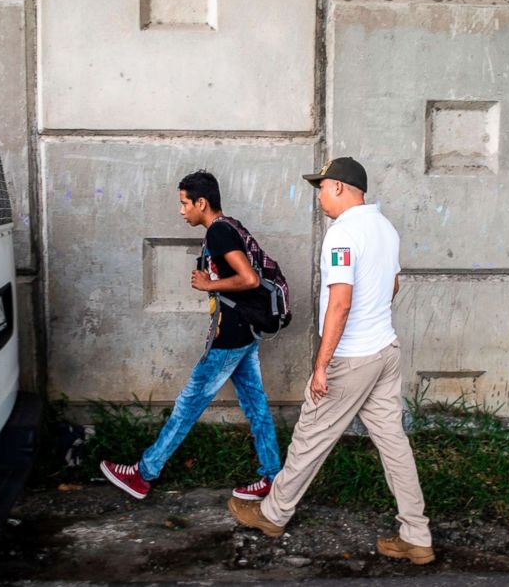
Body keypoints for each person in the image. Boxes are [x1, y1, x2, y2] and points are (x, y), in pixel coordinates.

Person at [226, 157, 435, 565]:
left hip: (352, 357)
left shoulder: (342, 234)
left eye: (321, 188)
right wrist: (371, 323)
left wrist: (322, 365)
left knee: (310, 437)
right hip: (385, 352)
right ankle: (417, 535)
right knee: (394, 445)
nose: (319, 197)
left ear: (339, 187)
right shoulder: (385, 229)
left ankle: (272, 514)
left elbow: (339, 303)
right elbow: (392, 284)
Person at [100, 170, 281, 501]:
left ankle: (143, 474)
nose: (182, 211)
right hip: (244, 331)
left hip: (230, 334)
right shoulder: (230, 226)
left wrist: (208, 284)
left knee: (189, 403)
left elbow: (250, 279)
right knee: (256, 405)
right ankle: (273, 478)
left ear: (202, 202)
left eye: (185, 204)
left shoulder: (219, 233)